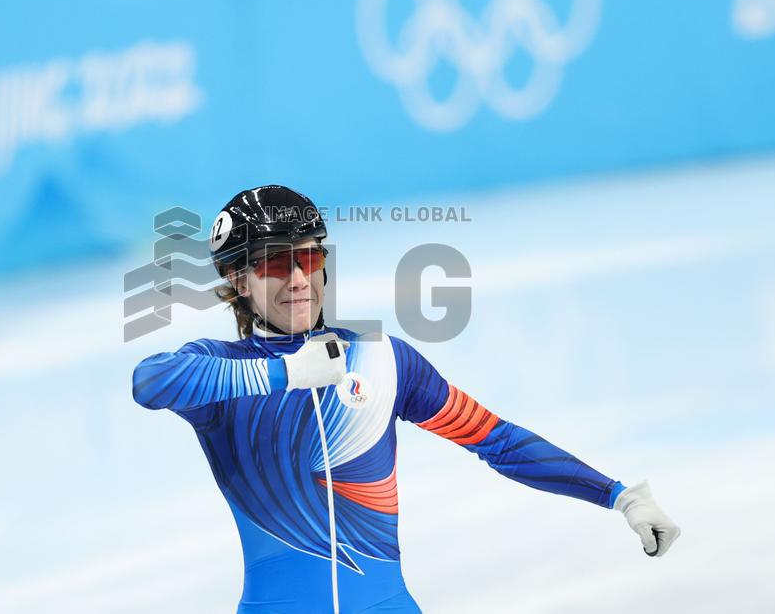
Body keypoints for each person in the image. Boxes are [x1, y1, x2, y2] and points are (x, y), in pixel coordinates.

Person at [133, 185, 680, 614]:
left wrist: (617, 495)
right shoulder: (223, 371)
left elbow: (497, 440)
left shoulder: (384, 359)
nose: (299, 278)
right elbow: (150, 381)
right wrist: (284, 374)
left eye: (310, 258)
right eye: (277, 263)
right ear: (238, 278)